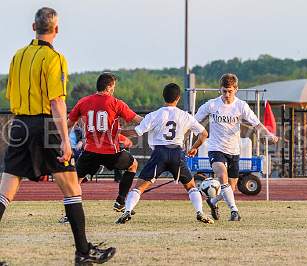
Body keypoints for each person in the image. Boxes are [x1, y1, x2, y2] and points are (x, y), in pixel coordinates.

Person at [0, 7, 116, 265]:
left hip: (19, 124)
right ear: (56, 30)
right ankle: (83, 252)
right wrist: (65, 139)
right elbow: (56, 102)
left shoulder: (17, 56)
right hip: (46, 125)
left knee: (5, 192)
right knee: (72, 189)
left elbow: (12, 94)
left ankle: (84, 250)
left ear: (33, 27)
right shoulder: (55, 58)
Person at [116, 83, 213, 224]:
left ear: (163, 97)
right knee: (191, 187)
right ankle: (200, 212)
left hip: (159, 153)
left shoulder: (154, 115)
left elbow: (137, 132)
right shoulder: (185, 116)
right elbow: (204, 134)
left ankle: (127, 211)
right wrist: (194, 147)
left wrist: (119, 132)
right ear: (178, 98)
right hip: (177, 153)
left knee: (139, 187)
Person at [195, 73, 279, 221]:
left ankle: (212, 201)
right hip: (216, 148)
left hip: (234, 150)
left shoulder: (241, 106)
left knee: (231, 188)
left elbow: (257, 124)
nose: (227, 94)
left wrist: (269, 135)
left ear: (236, 90)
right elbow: (193, 120)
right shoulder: (212, 105)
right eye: (224, 91)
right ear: (219, 90)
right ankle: (234, 211)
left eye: (230, 91)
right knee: (222, 176)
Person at [68, 72, 143, 212]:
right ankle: (120, 201)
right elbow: (138, 119)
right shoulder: (116, 103)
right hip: (111, 151)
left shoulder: (83, 101)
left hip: (90, 150)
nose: (114, 90)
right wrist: (155, 122)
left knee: (76, 180)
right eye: (113, 86)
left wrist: (64, 141)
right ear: (108, 87)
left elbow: (68, 123)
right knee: (133, 165)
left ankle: (71, 214)